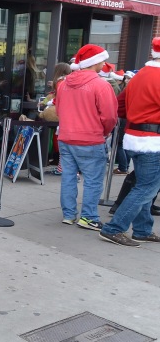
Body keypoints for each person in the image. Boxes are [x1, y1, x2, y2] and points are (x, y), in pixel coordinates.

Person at [98, 37, 160, 247]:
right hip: (152, 140)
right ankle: (114, 228)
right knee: (147, 188)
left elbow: (120, 105)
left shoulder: (141, 74)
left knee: (144, 185)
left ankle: (142, 230)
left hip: (135, 137)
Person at [55, 44, 118, 231]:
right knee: (93, 180)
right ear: (96, 62)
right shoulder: (101, 85)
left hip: (66, 137)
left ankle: (68, 214)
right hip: (90, 139)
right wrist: (105, 131)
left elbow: (59, 110)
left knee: (68, 177)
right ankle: (89, 217)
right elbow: (109, 116)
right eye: (102, 60)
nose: (104, 63)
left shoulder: (64, 84)